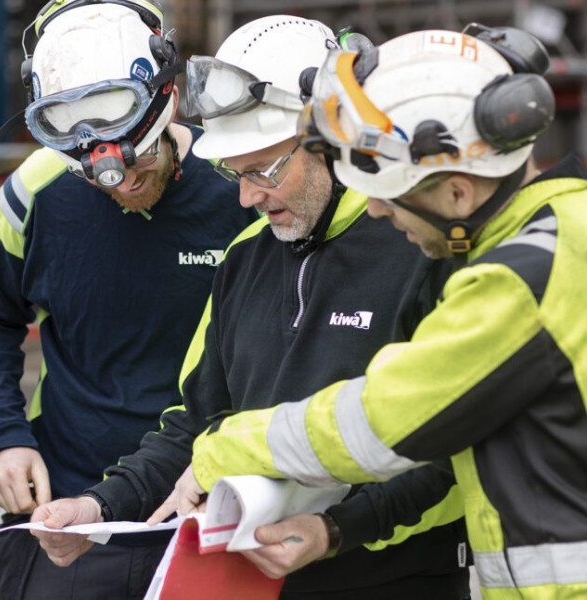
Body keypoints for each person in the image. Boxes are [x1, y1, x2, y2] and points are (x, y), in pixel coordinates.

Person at [31, 16, 471, 599]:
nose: (246, 197)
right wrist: (99, 504)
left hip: (405, 580)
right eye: (233, 174)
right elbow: (195, 423)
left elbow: (452, 447)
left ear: (334, 142)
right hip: (256, 583)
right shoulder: (245, 259)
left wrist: (337, 530)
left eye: (264, 170)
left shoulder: (423, 251)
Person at [179, 25, 587, 599]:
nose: (372, 209)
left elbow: (381, 421)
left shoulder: (522, 279)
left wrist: (223, 447)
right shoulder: (565, 236)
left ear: (458, 192)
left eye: (389, 191)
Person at [0, 2, 256, 598]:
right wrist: (4, 435)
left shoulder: (239, 185)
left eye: (135, 159)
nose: (115, 179)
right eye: (90, 172)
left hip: (210, 503)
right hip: (64, 513)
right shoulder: (37, 192)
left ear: (165, 96)